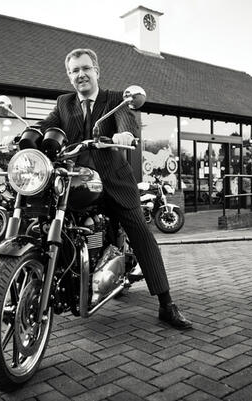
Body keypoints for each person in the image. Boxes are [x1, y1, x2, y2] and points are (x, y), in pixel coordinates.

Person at [37, 48, 192, 329]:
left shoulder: (113, 99)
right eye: (74, 71)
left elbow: (126, 120)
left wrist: (124, 134)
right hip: (78, 183)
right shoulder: (64, 103)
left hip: (113, 182)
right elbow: (47, 125)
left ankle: (166, 304)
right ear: (69, 76)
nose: (80, 74)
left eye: (85, 68)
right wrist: (27, 136)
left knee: (140, 232)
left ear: (97, 70)